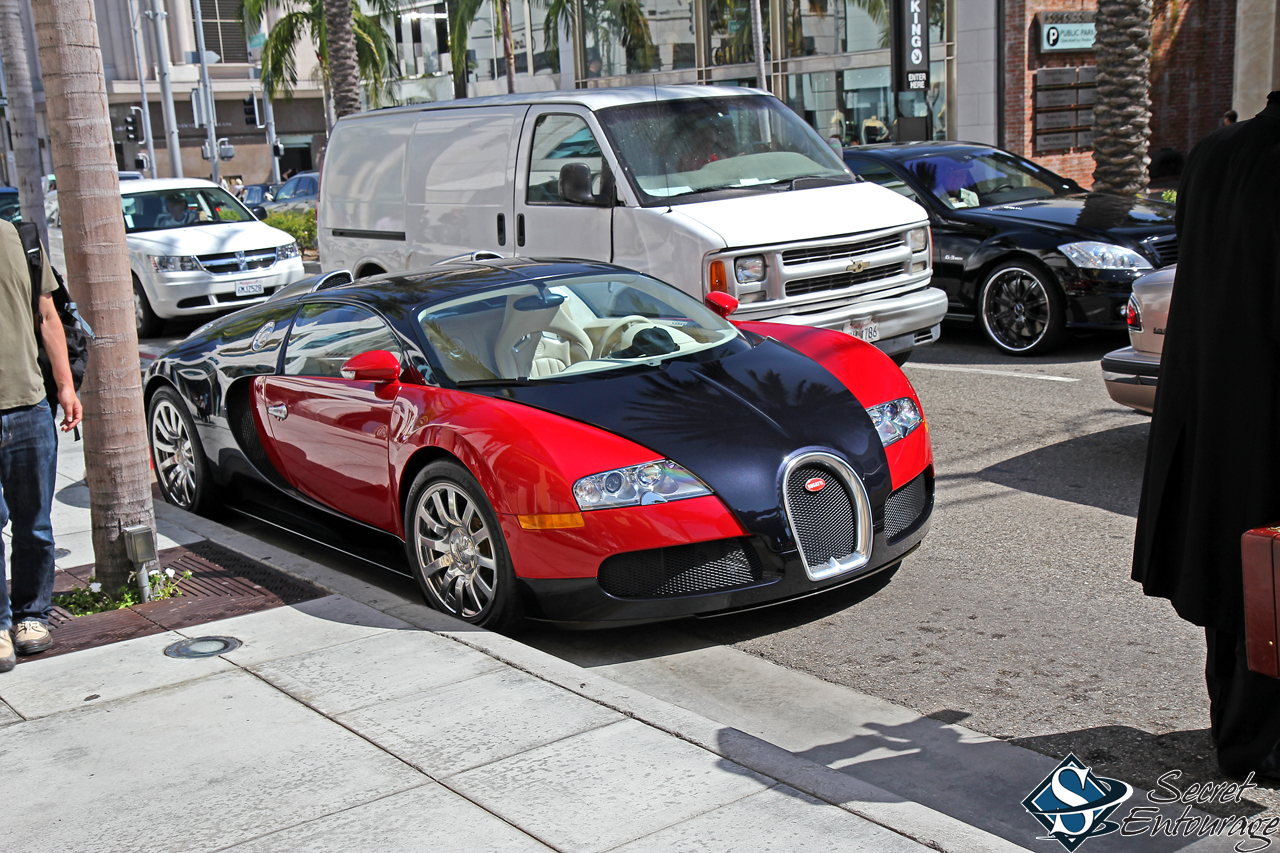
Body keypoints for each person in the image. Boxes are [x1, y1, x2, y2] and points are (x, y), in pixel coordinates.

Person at [1132, 91, 1280, 778]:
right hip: (1266, 419)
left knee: (1235, 588)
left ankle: (1239, 739)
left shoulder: (1215, 155)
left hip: (1217, 410)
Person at [0, 221, 83, 671]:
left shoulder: (19, 239)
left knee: (35, 525)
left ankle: (31, 615)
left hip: (29, 407)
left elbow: (48, 316)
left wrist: (66, 387)